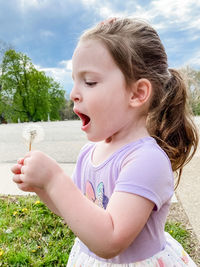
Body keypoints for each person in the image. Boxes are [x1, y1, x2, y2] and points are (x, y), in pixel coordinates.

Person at [11, 18, 198, 266]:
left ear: (137, 93)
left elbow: (110, 240)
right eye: (74, 80)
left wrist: (54, 179)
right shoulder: (90, 151)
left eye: (89, 82)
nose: (73, 93)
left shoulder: (146, 160)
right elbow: (78, 212)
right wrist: (43, 188)